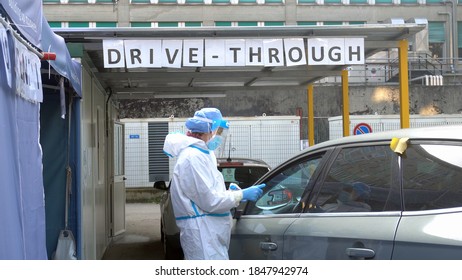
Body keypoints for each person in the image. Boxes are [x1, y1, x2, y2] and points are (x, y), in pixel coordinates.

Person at [163, 107, 265, 260]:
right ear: (207, 130)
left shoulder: (204, 154)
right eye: (218, 132)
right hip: (202, 235)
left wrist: (229, 193)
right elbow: (210, 201)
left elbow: (207, 193)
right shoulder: (192, 158)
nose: (219, 137)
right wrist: (240, 195)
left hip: (210, 234)